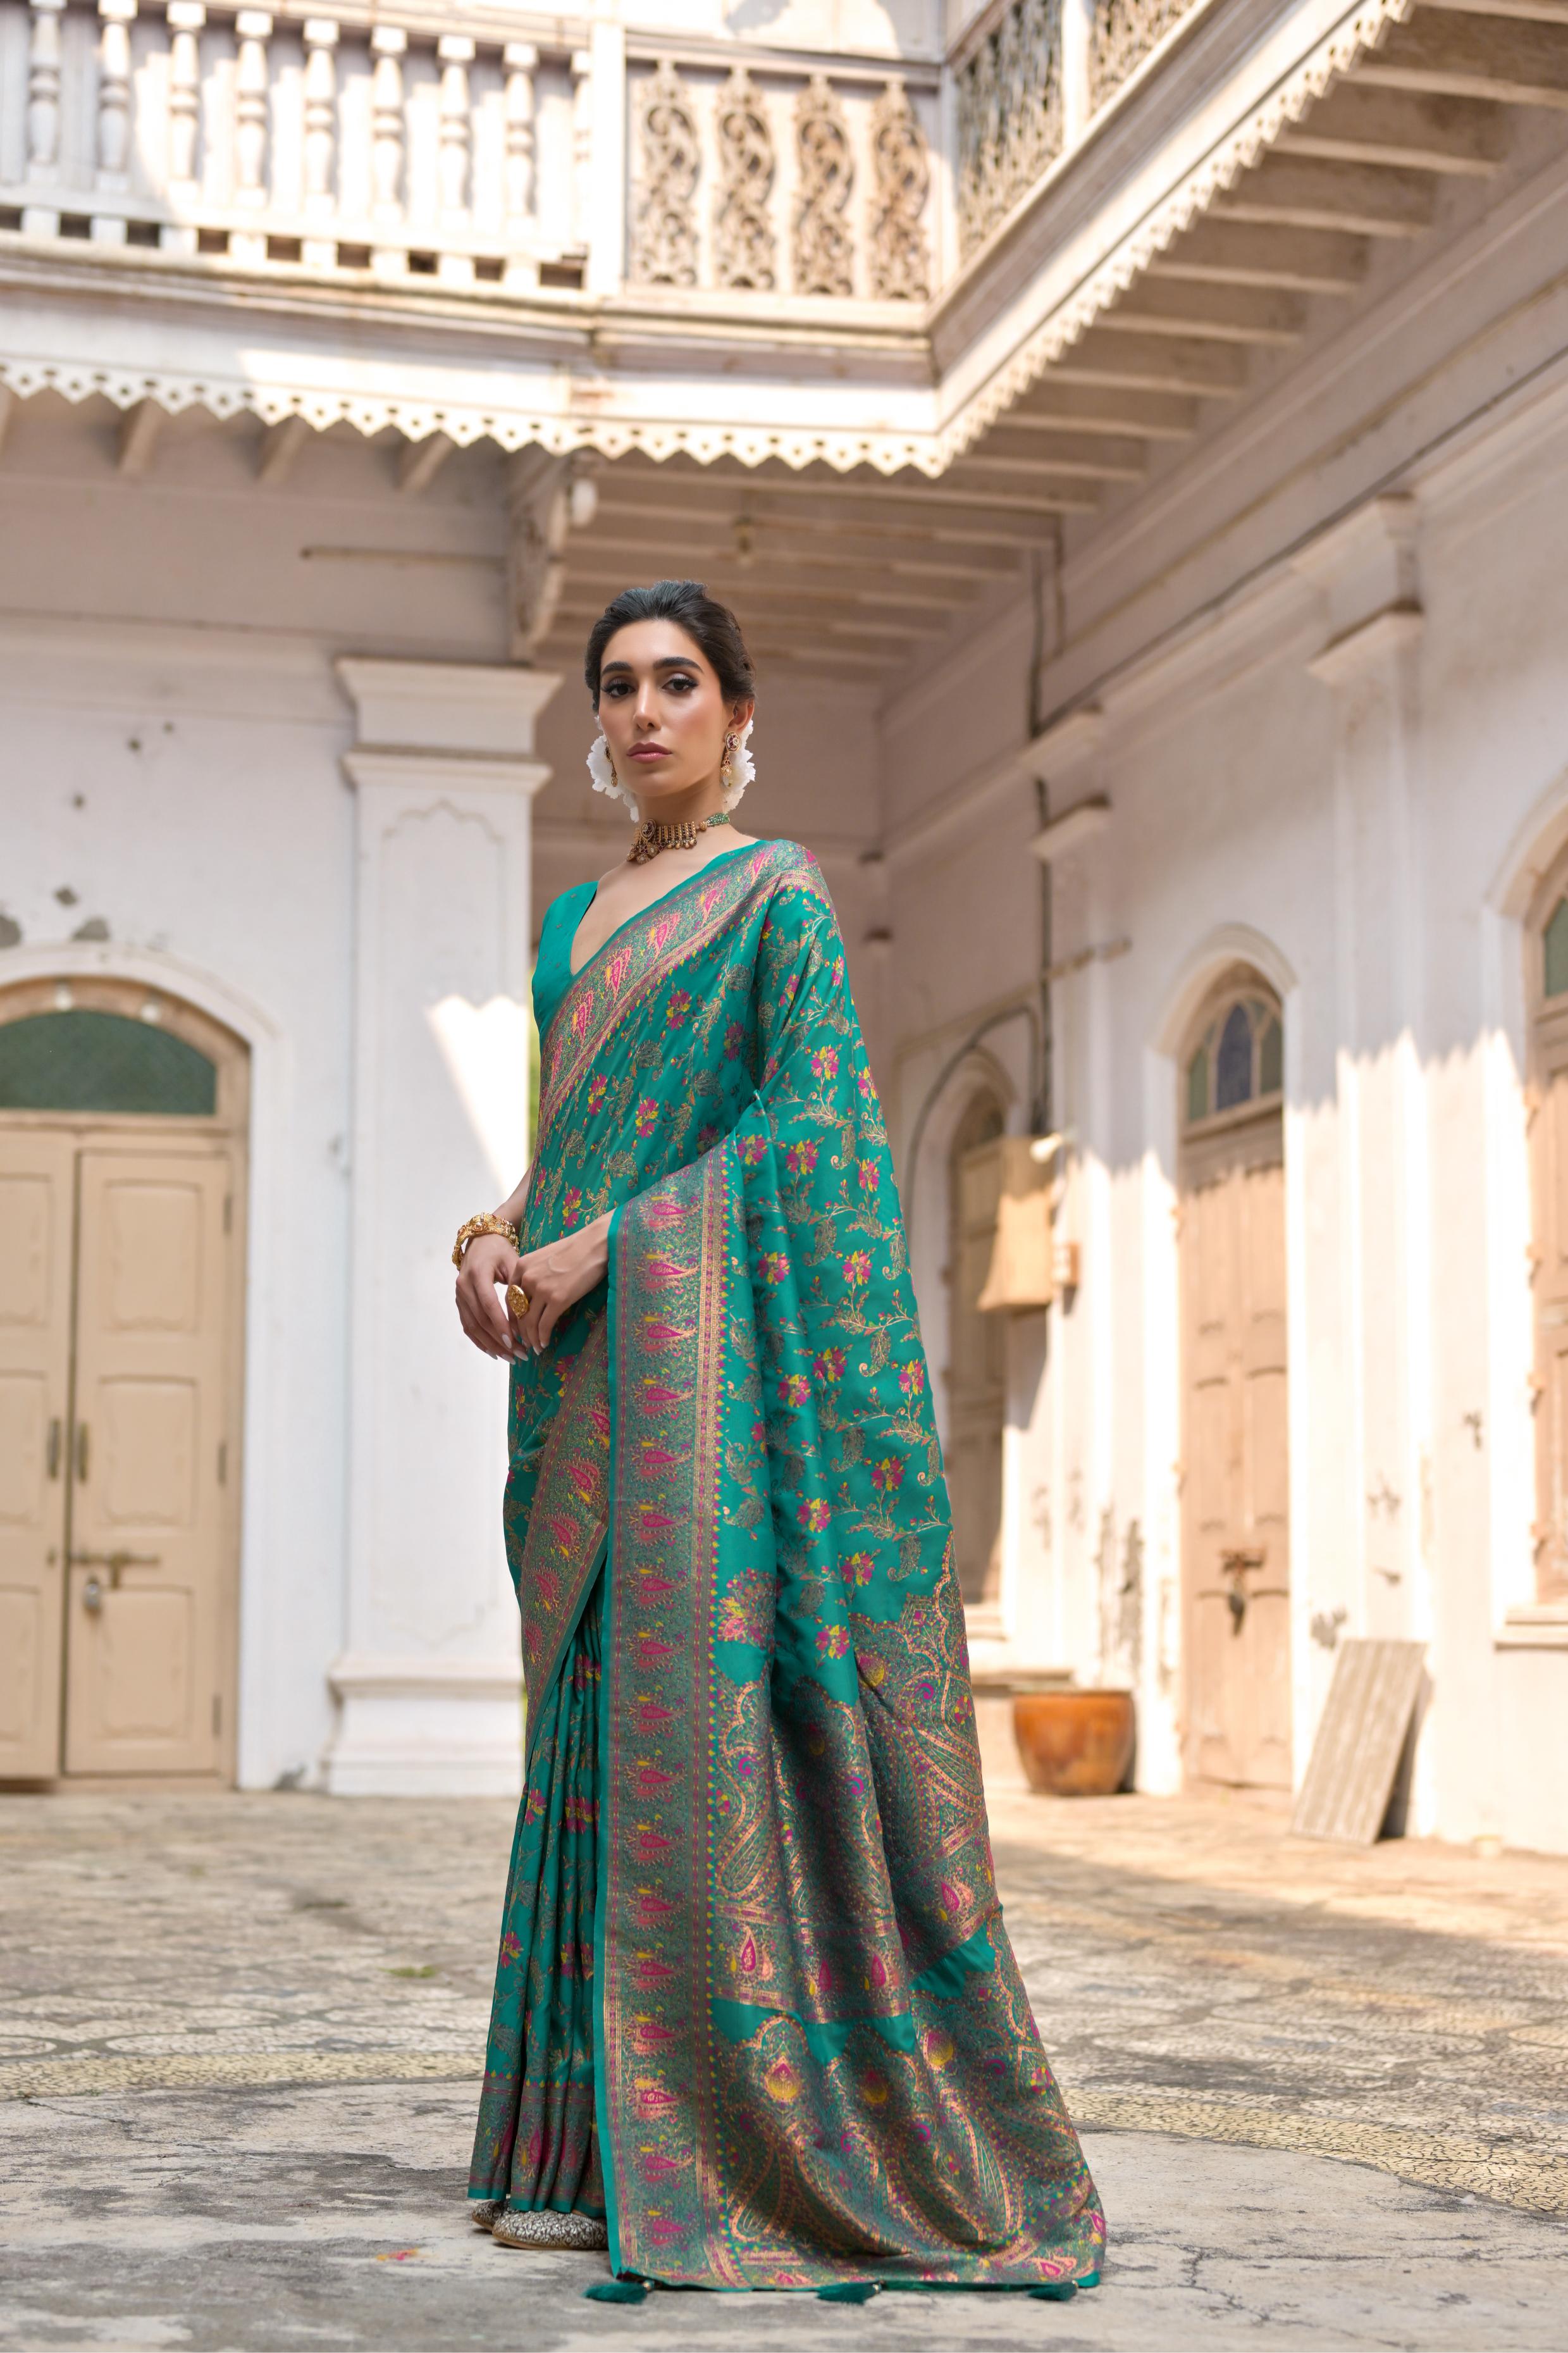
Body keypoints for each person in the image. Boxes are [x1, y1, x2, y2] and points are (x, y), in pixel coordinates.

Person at [453, 579, 1106, 2300]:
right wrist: (502, 1233)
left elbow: (812, 1130)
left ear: (739, 713)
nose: (643, 713)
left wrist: (614, 1244)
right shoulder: (573, 926)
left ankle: (737, 2135)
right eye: (617, 687)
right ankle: (570, 2150)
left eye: (678, 683)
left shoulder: (779, 900)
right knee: (590, 1728)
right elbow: (569, 1143)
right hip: (582, 1371)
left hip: (707, 1387)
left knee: (705, 1727)